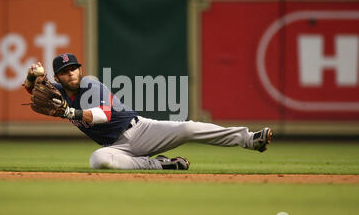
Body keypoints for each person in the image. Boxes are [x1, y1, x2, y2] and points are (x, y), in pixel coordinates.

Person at [23, 53, 272, 170]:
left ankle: (250, 139)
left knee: (188, 127)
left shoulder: (90, 84)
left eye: (74, 68)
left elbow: (104, 115)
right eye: (66, 71)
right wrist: (32, 76)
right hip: (116, 147)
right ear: (58, 77)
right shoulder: (58, 91)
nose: (72, 73)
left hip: (139, 130)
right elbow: (35, 92)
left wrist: (71, 114)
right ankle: (161, 166)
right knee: (98, 160)